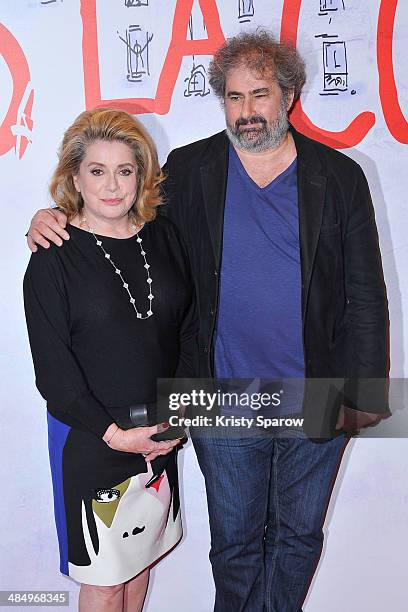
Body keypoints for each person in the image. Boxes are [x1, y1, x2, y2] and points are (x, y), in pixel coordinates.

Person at [27, 32, 389, 612]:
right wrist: (53, 217)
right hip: (219, 394)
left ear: (289, 96)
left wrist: (363, 394)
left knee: (297, 539)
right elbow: (122, 218)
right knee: (236, 545)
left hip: (317, 391)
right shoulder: (189, 169)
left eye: (260, 95)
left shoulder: (340, 177)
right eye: (234, 97)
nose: (247, 111)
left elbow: (365, 295)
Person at [24, 108, 197, 612]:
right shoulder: (52, 254)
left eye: (125, 170)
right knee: (103, 578)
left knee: (140, 559)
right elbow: (53, 371)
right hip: (93, 438)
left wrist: (179, 411)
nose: (113, 186)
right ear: (74, 176)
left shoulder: (163, 236)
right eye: (97, 171)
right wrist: (116, 435)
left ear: (141, 174)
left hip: (159, 429)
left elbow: (187, 328)